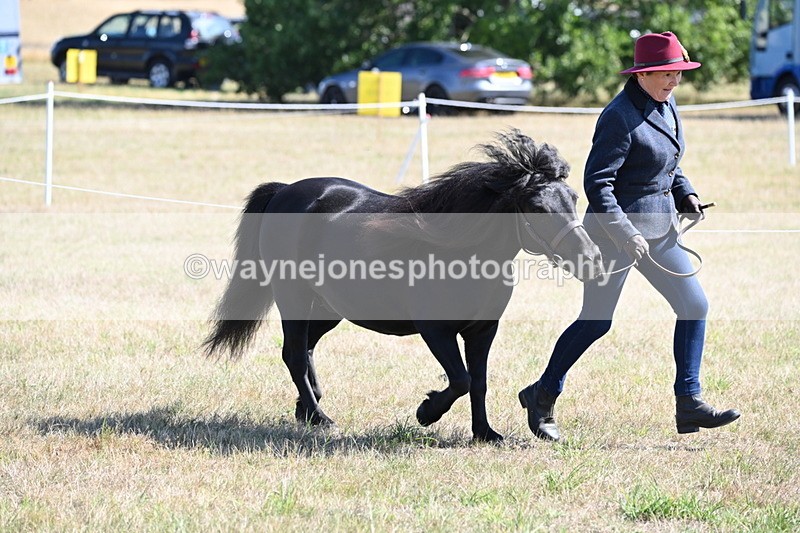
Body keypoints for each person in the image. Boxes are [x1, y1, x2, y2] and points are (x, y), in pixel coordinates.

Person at [518, 31, 740, 441]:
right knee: (597, 321)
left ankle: (689, 403)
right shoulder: (618, 116)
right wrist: (623, 232)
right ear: (643, 73)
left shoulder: (666, 103)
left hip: (659, 230)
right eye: (668, 74)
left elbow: (668, 163)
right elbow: (598, 183)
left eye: (679, 73)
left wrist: (685, 194)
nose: (675, 82)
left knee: (694, 305)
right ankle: (542, 394)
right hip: (611, 234)